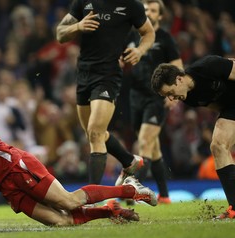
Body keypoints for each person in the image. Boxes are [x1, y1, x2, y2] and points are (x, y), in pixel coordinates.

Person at [0, 80, 157, 226]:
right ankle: (109, 211)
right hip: (6, 185)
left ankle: (131, 190)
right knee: (61, 221)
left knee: (69, 202)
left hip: (17, 168)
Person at [56, 0, 156, 185]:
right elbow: (60, 34)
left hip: (108, 75)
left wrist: (140, 51)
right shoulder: (82, 2)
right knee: (93, 133)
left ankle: (92, 196)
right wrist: (78, 26)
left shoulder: (131, 5)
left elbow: (149, 33)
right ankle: (129, 161)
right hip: (84, 74)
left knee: (95, 133)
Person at [150, 55, 235, 219]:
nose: (171, 99)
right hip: (232, 107)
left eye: (170, 92)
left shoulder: (209, 66)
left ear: (179, 79)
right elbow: (219, 106)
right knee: (218, 146)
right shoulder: (189, 98)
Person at [116, 0, 184, 204]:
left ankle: (132, 191)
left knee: (144, 141)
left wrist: (175, 94)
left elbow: (178, 66)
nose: (149, 13)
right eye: (146, 9)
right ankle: (164, 196)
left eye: (153, 10)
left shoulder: (165, 39)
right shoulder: (131, 36)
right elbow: (121, 60)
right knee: (153, 148)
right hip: (135, 97)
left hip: (157, 98)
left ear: (160, 16)